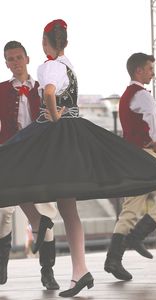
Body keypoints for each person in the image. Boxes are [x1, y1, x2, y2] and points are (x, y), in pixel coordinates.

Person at [0, 21, 156, 297]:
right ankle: (79, 270)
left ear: (44, 42)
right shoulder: (68, 64)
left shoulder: (46, 67)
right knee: (68, 207)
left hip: (54, 134)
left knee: (17, 173)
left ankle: (42, 227)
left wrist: (55, 114)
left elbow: (49, 93)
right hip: (73, 135)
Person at [104, 52, 156, 281]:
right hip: (145, 154)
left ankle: (113, 259)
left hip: (131, 156)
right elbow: (153, 119)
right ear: (139, 70)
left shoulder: (127, 95)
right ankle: (136, 236)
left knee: (131, 207)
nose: (152, 72)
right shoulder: (142, 94)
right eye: (150, 68)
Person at [0, 41, 59, 290]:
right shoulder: (1, 89)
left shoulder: (41, 88)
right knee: (3, 212)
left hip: (38, 156)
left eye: (18, 58)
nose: (14, 63)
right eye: (9, 59)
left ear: (27, 58)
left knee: (45, 211)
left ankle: (48, 272)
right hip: (9, 155)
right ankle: (1, 270)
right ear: (5, 63)